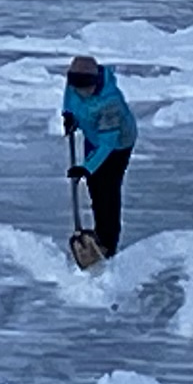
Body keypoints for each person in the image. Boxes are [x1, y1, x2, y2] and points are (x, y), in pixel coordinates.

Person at [62, 53, 137, 255]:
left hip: (118, 144)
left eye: (85, 86)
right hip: (93, 135)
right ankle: (98, 234)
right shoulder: (74, 85)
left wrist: (86, 167)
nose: (80, 91)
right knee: (94, 185)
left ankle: (108, 243)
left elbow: (108, 144)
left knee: (108, 190)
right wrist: (68, 115)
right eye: (76, 85)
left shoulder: (111, 103)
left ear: (95, 82)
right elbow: (69, 97)